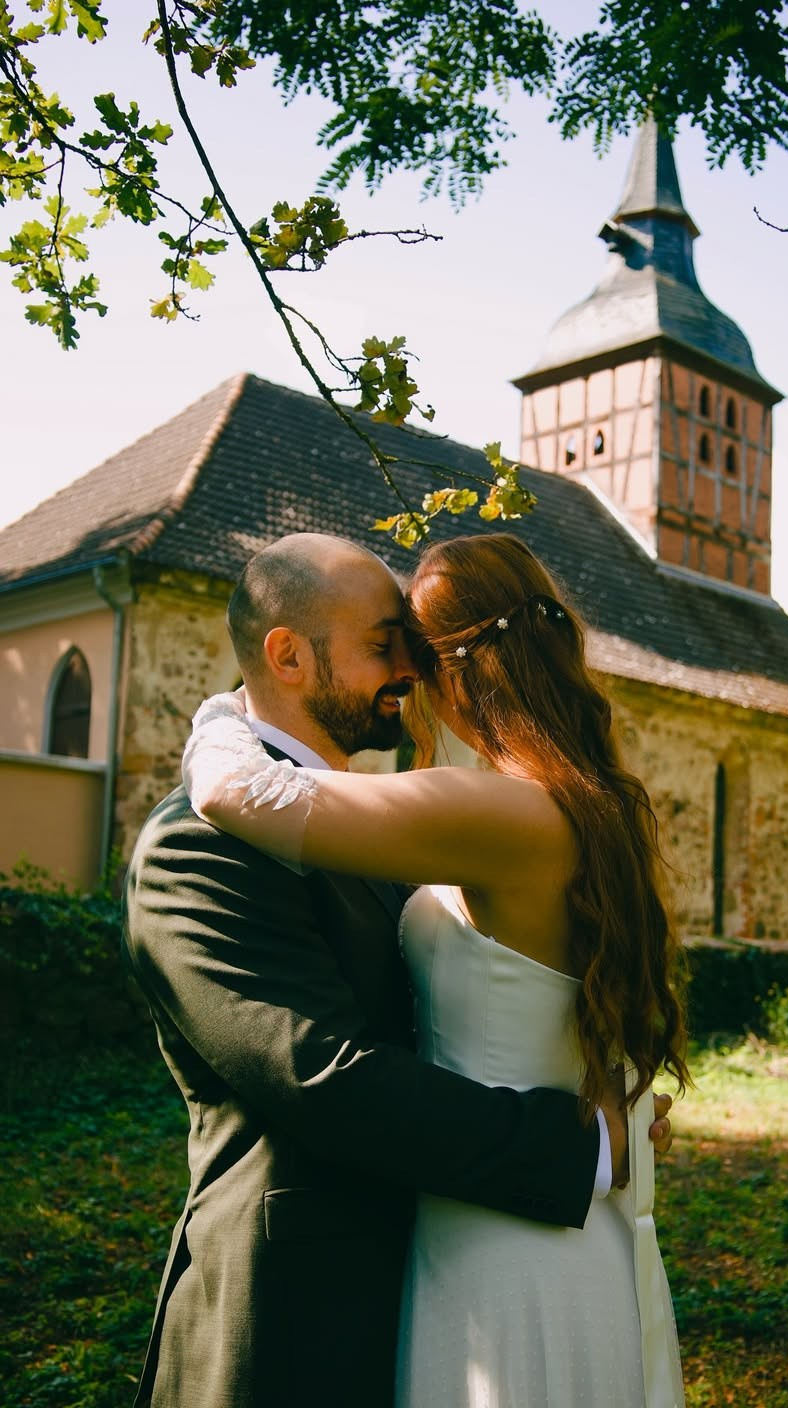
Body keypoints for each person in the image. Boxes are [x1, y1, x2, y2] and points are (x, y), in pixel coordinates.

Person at [122, 531, 674, 1408]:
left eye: (418, 649)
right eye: (385, 646)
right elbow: (319, 1075)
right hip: (287, 1313)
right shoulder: (199, 844)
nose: (409, 674)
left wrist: (220, 719)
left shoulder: (445, 814)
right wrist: (588, 1142)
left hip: (479, 1252)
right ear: (287, 655)